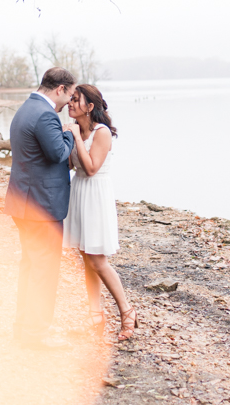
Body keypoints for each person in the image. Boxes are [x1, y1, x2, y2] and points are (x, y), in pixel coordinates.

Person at [4, 67, 76, 350]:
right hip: (42, 207)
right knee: (44, 270)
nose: (69, 102)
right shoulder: (46, 115)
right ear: (60, 89)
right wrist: (69, 133)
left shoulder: (26, 108)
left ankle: (23, 327)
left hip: (23, 203)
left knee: (31, 267)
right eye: (70, 95)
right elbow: (58, 152)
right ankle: (36, 334)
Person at [63, 84, 137, 341]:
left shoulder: (101, 132)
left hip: (95, 195)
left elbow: (92, 167)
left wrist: (73, 137)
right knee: (85, 258)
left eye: (75, 100)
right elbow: (73, 164)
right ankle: (95, 316)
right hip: (80, 192)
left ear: (90, 106)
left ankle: (127, 311)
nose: (70, 103)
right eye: (70, 99)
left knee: (98, 260)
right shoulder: (77, 129)